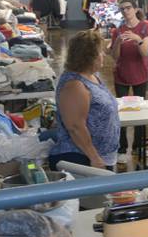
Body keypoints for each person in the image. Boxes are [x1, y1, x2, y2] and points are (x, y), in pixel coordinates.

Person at [49, 30, 120, 170]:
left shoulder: (91, 76)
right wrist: (93, 157)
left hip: (100, 156)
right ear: (89, 56)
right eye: (100, 51)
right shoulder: (75, 85)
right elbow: (75, 127)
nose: (104, 55)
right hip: (81, 158)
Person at [111, 0, 148, 158]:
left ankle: (139, 145)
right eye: (122, 9)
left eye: (128, 8)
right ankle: (121, 148)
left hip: (140, 74)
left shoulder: (144, 28)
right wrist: (117, 43)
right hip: (121, 74)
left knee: (140, 110)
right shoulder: (118, 30)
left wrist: (138, 40)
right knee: (120, 111)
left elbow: (144, 53)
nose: (125, 11)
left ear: (135, 9)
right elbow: (115, 56)